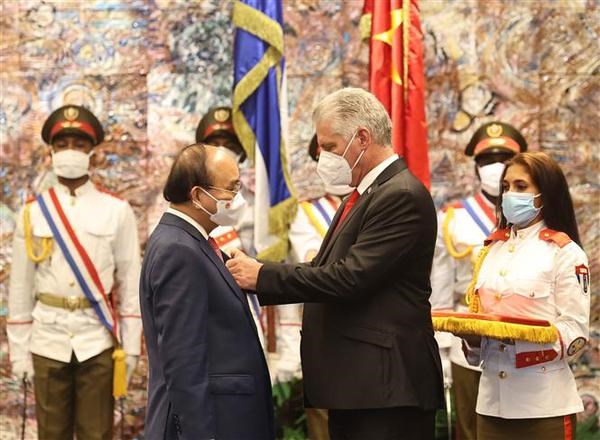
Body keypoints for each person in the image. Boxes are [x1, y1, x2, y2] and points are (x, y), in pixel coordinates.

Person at [227, 87, 444, 440]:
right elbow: (325, 269)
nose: (324, 157)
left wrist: (262, 276)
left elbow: (349, 278)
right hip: (361, 385)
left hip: (386, 388)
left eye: (329, 147)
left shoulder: (399, 195)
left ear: (362, 138)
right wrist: (259, 270)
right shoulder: (364, 195)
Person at [7, 105, 142, 439]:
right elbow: (20, 288)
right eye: (63, 143)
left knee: (97, 434)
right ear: (51, 151)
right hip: (47, 339)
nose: (70, 150)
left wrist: (133, 345)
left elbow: (130, 285)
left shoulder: (117, 211)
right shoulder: (33, 213)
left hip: (96, 339)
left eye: (79, 144)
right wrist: (19, 352)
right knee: (51, 435)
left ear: (92, 152)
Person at [140, 144, 274, 439]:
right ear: (198, 195)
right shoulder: (178, 249)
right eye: (230, 189)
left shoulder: (192, 241)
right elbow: (184, 360)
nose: (237, 200)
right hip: (213, 424)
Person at [461, 151, 590, 439]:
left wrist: (519, 339)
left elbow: (575, 335)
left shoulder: (565, 253)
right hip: (492, 404)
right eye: (506, 187)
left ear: (545, 194)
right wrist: (472, 339)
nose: (510, 194)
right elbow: (478, 333)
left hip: (542, 405)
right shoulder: (490, 251)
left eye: (521, 187)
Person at [429, 121, 527, 438]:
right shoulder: (453, 218)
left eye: (503, 160)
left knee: (522, 427)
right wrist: (442, 348)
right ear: (476, 169)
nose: (495, 168)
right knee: (471, 429)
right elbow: (440, 287)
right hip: (468, 341)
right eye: (486, 161)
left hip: (523, 336)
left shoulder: (534, 215)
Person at [277, 134, 348, 440]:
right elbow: (314, 264)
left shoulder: (378, 202)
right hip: (325, 333)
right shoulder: (305, 214)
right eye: (323, 157)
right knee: (323, 424)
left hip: (371, 336)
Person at [196, 106, 266, 349]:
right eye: (214, 142)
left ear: (242, 152)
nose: (222, 149)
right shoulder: (185, 206)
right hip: (203, 319)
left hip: (253, 313)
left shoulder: (261, 206)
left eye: (230, 143)